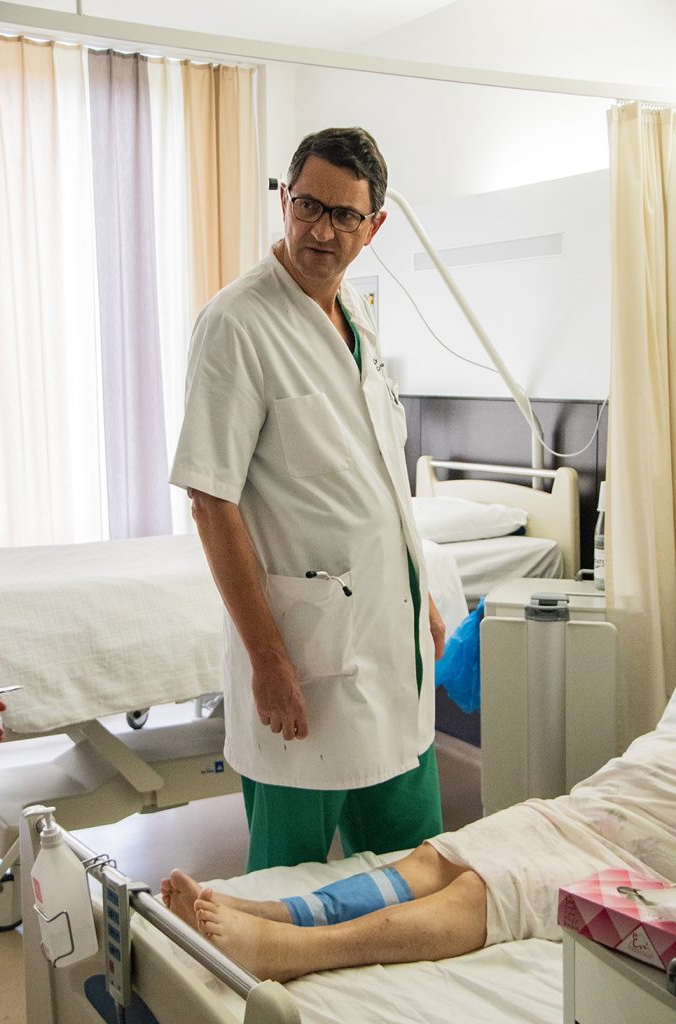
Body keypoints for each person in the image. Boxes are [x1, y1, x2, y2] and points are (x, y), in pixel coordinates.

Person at [170, 127, 446, 871]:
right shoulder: (236, 324)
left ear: (373, 226)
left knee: (411, 874)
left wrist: (420, 601)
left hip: (389, 658)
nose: (319, 230)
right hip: (305, 659)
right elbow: (209, 501)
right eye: (306, 205)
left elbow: (381, 479)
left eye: (343, 215)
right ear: (284, 199)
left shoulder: (356, 319)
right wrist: (267, 662)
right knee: (282, 894)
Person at [162, 705, 676, 982]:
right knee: (439, 856)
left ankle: (293, 951)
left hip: (643, 860)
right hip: (588, 809)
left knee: (485, 888)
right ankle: (275, 912)